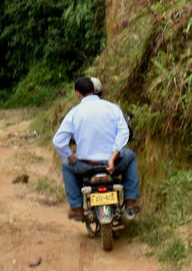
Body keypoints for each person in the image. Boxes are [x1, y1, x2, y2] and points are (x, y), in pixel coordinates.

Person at [52, 76, 141, 220]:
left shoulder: (75, 113)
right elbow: (124, 132)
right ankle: (131, 201)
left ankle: (76, 208)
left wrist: (69, 156)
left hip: (86, 166)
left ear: (77, 93)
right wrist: (112, 157)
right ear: (94, 90)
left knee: (66, 166)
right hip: (114, 164)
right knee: (130, 157)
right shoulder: (112, 108)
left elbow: (58, 140)